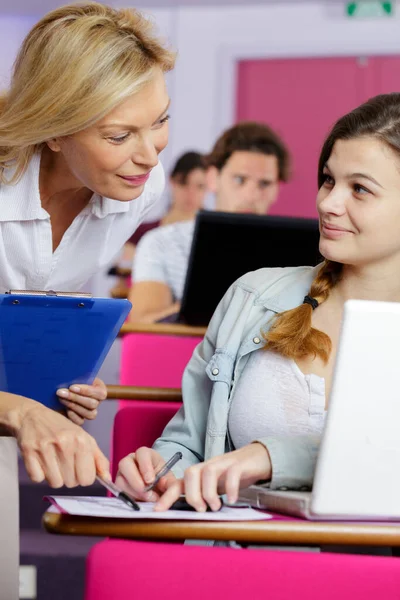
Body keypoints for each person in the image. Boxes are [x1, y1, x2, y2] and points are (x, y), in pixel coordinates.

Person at [116, 92, 400, 511]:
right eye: (328, 180)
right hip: (243, 561)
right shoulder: (252, 297)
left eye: (359, 189)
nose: (328, 203)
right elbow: (190, 444)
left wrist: (272, 457)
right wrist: (161, 471)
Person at [0, 2, 175, 487]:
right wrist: (21, 411)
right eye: (119, 135)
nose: (148, 155)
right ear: (53, 130)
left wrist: (54, 381)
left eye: (160, 120)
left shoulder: (139, 187)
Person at [128, 121, 290, 323]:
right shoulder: (162, 243)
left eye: (264, 183)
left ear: (277, 188)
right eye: (239, 180)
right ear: (213, 178)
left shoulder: (291, 253)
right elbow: (143, 323)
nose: (251, 195)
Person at [109, 151, 206, 298]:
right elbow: (122, 283)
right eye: (183, 183)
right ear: (171, 181)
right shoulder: (141, 233)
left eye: (199, 186)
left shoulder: (215, 234)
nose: (190, 193)